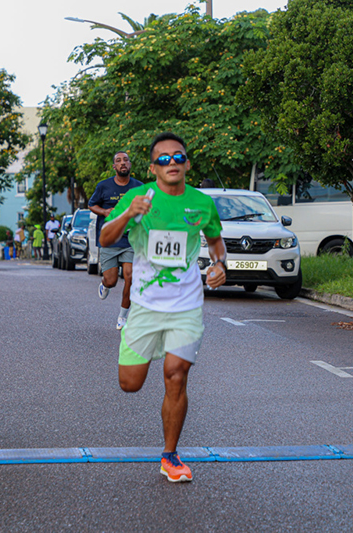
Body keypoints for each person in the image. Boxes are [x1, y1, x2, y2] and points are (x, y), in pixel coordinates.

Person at [100, 132, 226, 483]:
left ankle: (170, 456)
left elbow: (216, 242)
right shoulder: (137, 197)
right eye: (164, 159)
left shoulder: (202, 203)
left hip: (185, 305)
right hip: (144, 306)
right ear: (153, 167)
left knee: (176, 374)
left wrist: (220, 265)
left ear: (186, 163)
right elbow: (105, 238)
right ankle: (140, 346)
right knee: (130, 384)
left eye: (178, 157)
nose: (172, 163)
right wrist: (128, 215)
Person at [88, 151, 143, 329]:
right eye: (118, 161)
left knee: (130, 277)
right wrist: (104, 212)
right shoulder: (104, 186)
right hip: (110, 240)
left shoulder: (139, 187)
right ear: (114, 167)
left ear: (130, 165)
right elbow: (91, 204)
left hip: (131, 240)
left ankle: (123, 316)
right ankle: (105, 284)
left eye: (126, 160)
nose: (123, 163)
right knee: (111, 280)